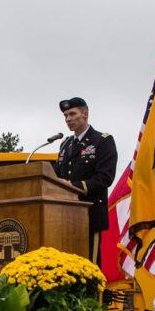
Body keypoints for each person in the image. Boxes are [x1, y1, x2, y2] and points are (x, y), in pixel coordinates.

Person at [56, 97, 118, 265]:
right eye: (65, 115)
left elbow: (104, 178)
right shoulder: (65, 145)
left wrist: (72, 187)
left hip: (89, 214)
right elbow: (57, 176)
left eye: (72, 114)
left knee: (89, 265)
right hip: (64, 216)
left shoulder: (102, 141)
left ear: (85, 114)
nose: (68, 119)